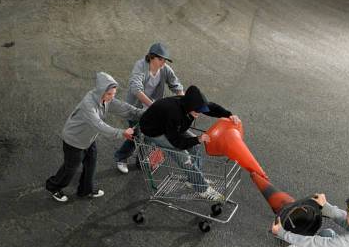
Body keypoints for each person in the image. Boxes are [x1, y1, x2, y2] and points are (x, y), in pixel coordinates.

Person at [45, 72, 142, 202]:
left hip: (88, 139)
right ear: (101, 91)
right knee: (71, 168)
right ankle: (53, 187)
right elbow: (99, 125)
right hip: (74, 140)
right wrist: (122, 132)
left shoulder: (105, 99)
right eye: (109, 94)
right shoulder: (88, 104)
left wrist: (141, 113)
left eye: (114, 93)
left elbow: (123, 107)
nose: (112, 97)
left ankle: (85, 191)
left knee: (91, 164)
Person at [136, 84, 240, 201]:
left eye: (201, 110)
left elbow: (212, 108)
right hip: (154, 131)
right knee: (185, 158)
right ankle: (203, 189)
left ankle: (194, 180)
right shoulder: (174, 112)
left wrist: (229, 115)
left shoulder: (192, 104)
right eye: (197, 110)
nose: (199, 113)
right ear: (189, 106)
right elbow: (176, 142)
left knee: (195, 147)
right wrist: (197, 139)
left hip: (171, 127)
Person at [114, 42, 184, 174]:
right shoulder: (140, 66)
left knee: (148, 135)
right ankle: (121, 157)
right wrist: (153, 106)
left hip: (152, 110)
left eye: (165, 60)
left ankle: (140, 161)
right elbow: (136, 89)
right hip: (135, 108)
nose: (163, 62)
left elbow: (177, 86)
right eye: (160, 59)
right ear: (151, 57)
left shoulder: (165, 69)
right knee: (136, 135)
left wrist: (184, 104)